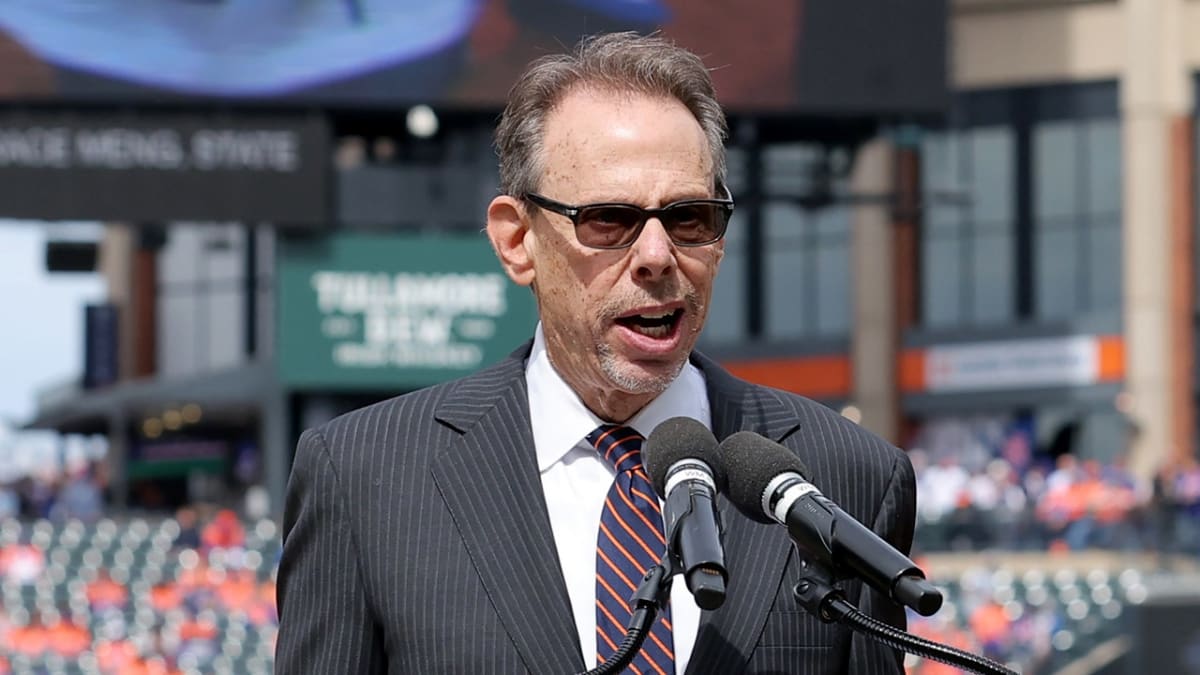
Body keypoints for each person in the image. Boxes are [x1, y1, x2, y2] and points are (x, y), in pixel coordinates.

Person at [275, 31, 917, 674]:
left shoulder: (847, 476)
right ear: (517, 240)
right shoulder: (363, 478)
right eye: (609, 219)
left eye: (690, 217)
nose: (659, 257)